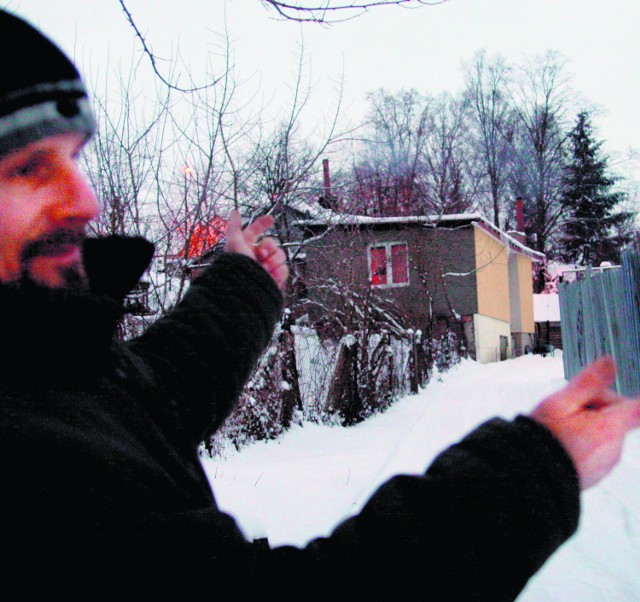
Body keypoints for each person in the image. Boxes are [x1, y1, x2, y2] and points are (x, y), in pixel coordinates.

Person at [0, 8, 638, 598]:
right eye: (29, 167)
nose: (84, 201)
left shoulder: (43, 366)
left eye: (75, 159)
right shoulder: (28, 461)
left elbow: (152, 393)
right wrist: (536, 472)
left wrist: (243, 281)